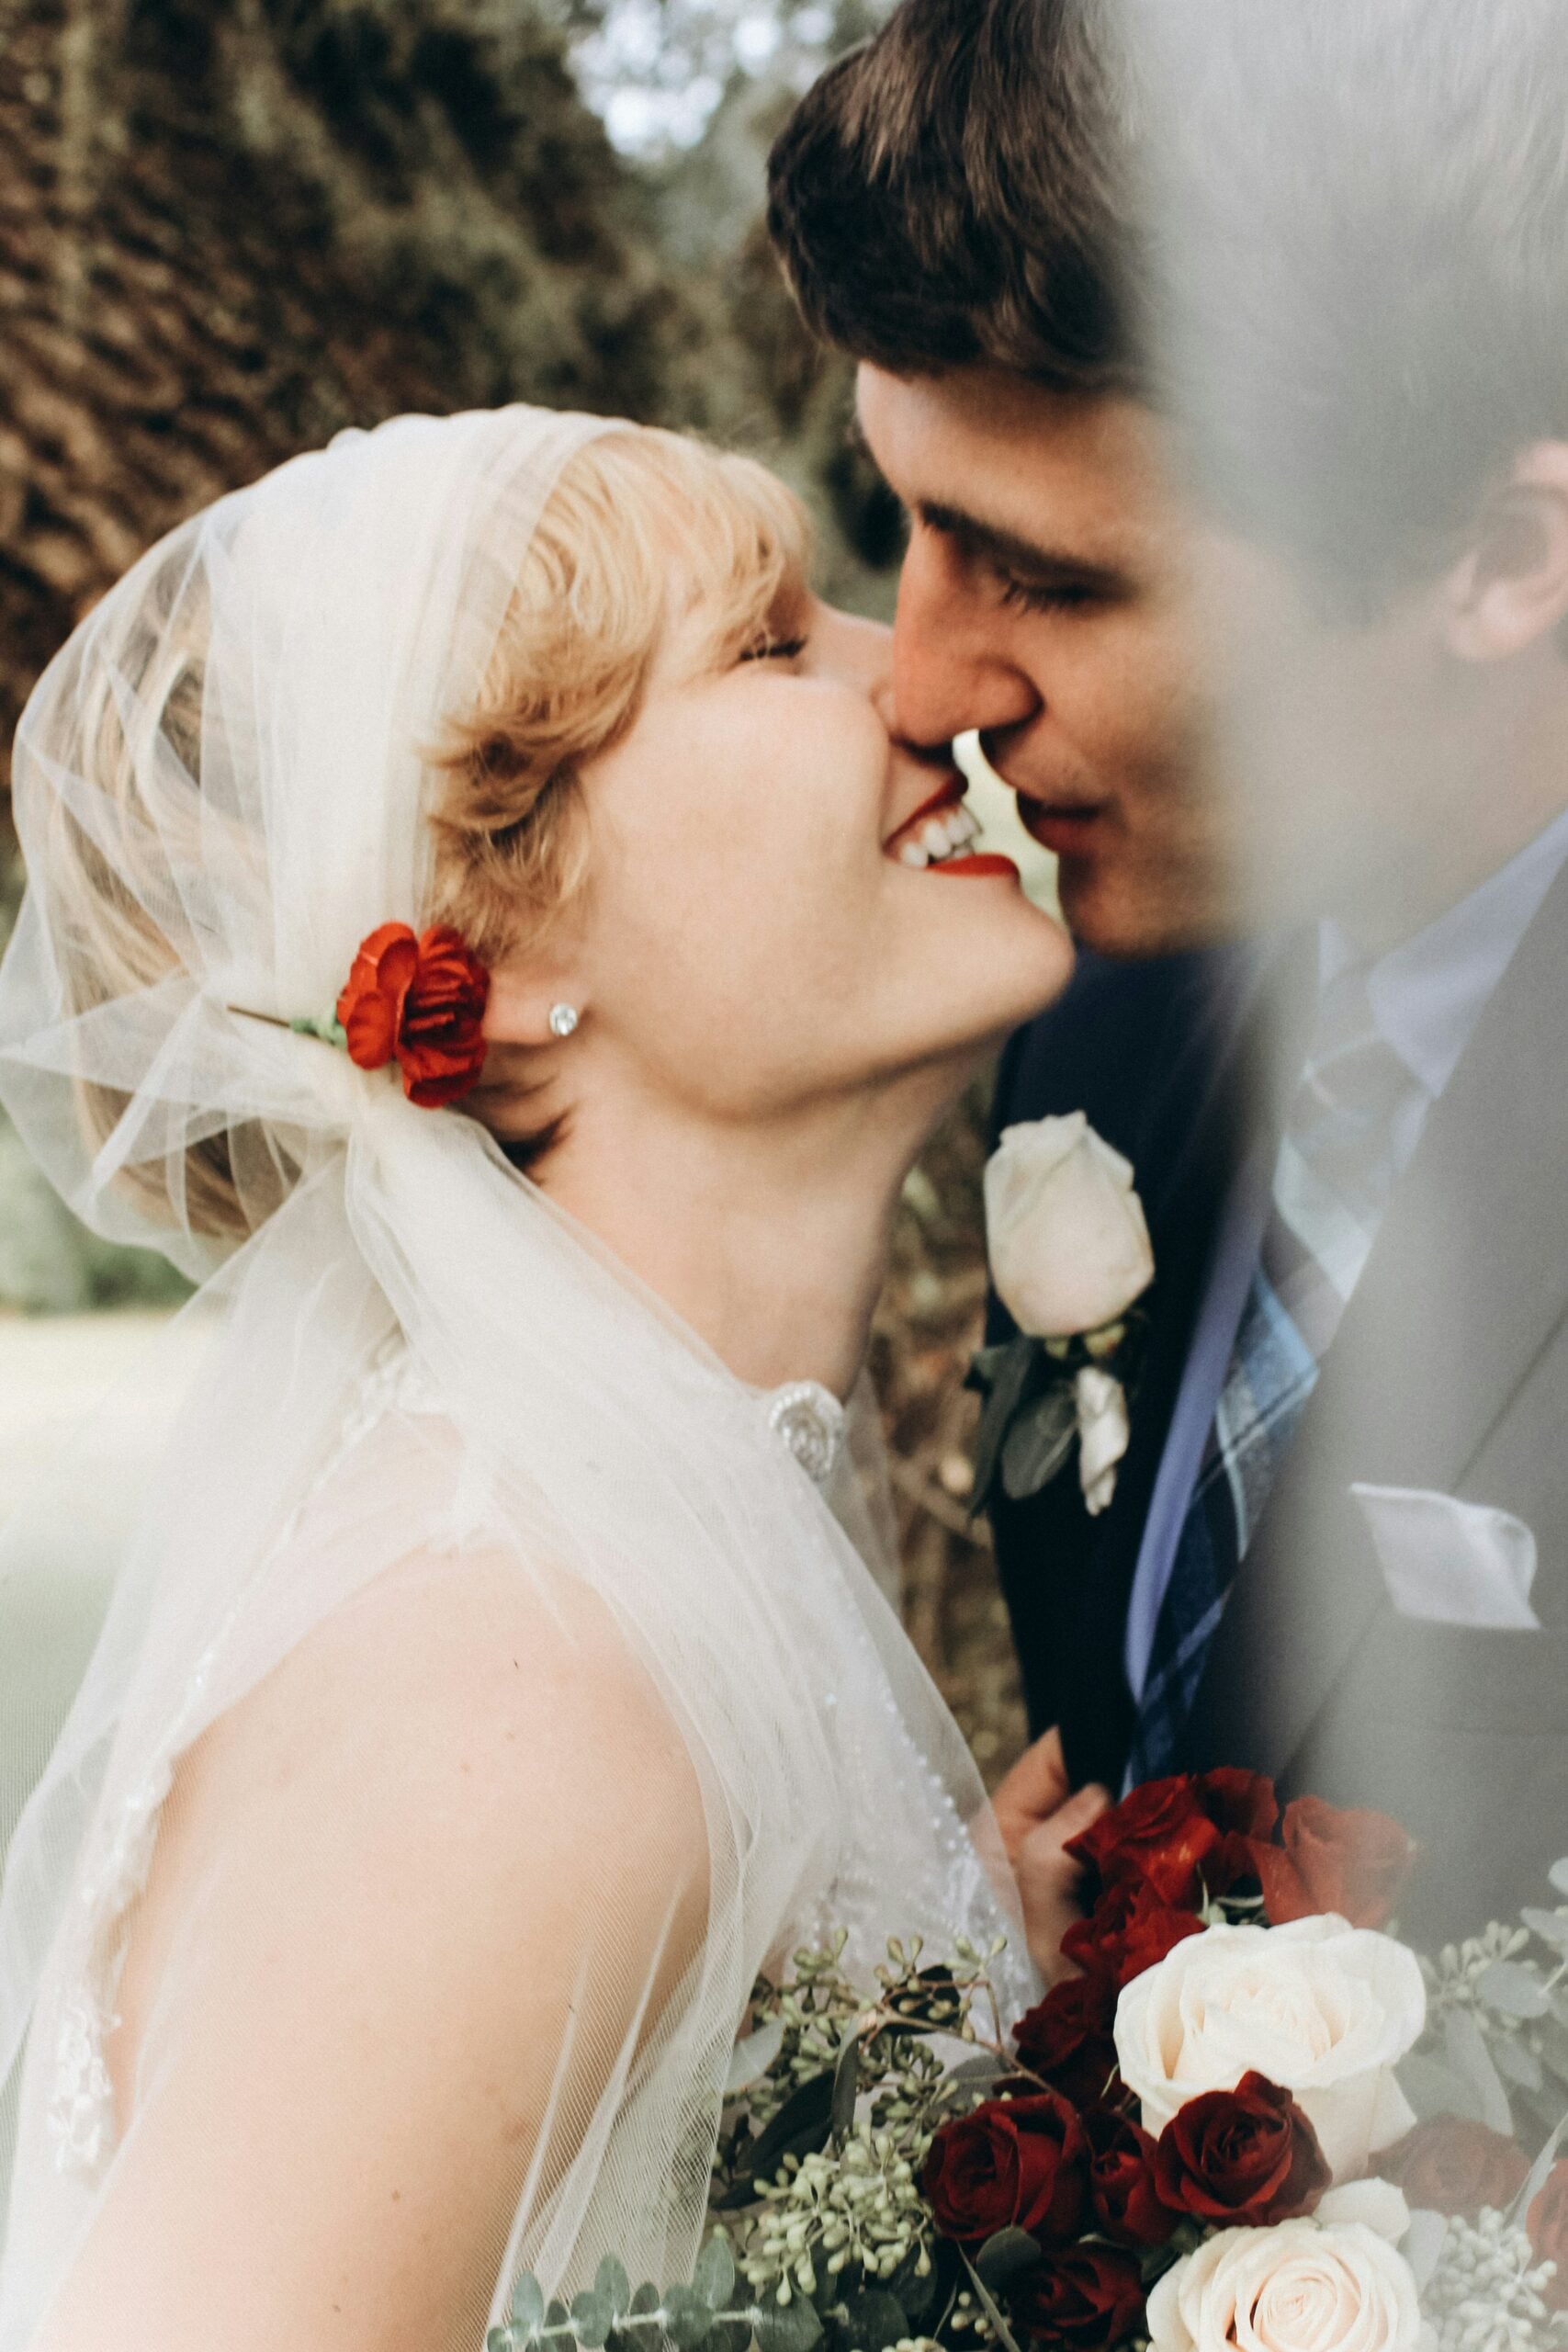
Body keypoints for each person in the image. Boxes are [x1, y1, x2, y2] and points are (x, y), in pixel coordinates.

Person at [0, 408, 1079, 2346]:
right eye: (767, 641)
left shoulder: (636, 1556)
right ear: (481, 976)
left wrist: (933, 1987)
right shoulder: (512, 1689)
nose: (913, 680)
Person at [769, 0, 1568, 1938]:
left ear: (1495, 555)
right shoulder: (1078, 1022)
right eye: (906, 523)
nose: (931, 686)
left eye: (1044, 572)